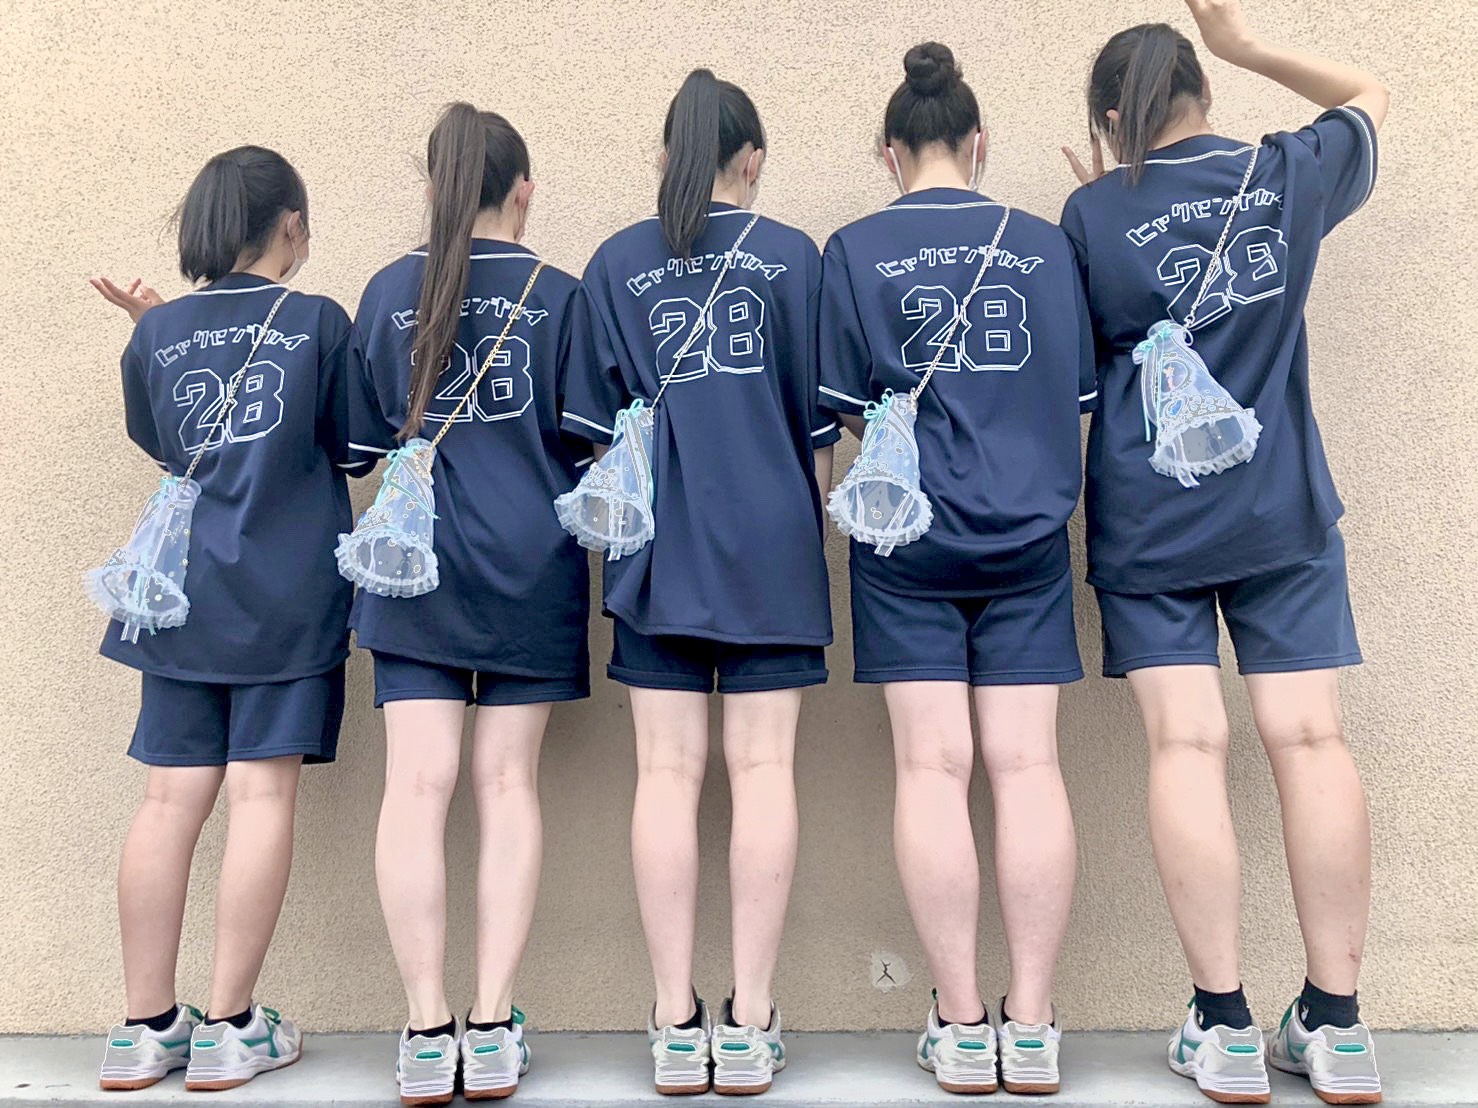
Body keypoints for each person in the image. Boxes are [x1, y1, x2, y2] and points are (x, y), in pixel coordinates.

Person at [1060, 1, 1388, 1103]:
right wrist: (1247, 44)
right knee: (1311, 740)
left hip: (1149, 520)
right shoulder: (1283, 172)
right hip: (1280, 510)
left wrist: (1107, 200)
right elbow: (1368, 96)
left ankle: (1224, 1025)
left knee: (1186, 746)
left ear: (1112, 121)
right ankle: (1337, 1023)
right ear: (1204, 93)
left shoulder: (1091, 211)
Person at [818, 42, 1095, 1097]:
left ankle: (963, 1023)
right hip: (1027, 533)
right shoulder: (1041, 243)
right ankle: (1032, 1021)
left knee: (930, 770)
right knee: (1028, 767)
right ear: (980, 143)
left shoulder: (852, 250)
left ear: (888, 152)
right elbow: (1077, 398)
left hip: (906, 541)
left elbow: (841, 410)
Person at [559, 68, 836, 1096]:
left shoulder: (615, 262)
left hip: (656, 546)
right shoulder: (791, 256)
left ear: (666, 156)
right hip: (771, 540)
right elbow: (819, 434)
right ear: (749, 159)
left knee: (665, 776)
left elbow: (596, 441)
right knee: (764, 772)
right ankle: (750, 1020)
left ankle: (676, 1023)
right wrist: (799, 529)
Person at [89, 145, 367, 1092]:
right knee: (260, 797)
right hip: (287, 595)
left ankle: (143, 1028)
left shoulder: (158, 333)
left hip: (178, 595)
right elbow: (355, 447)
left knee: (167, 802)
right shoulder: (316, 321)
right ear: (290, 224)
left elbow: (166, 444)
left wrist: (154, 332)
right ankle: (231, 1026)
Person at [345, 102, 591, 1105]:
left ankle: (424, 1029)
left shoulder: (383, 292)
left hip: (414, 563)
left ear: (435, 187)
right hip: (531, 561)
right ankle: (491, 1028)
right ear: (523, 191)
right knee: (506, 786)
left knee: (415, 787)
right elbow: (588, 444)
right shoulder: (558, 293)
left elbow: (361, 445)